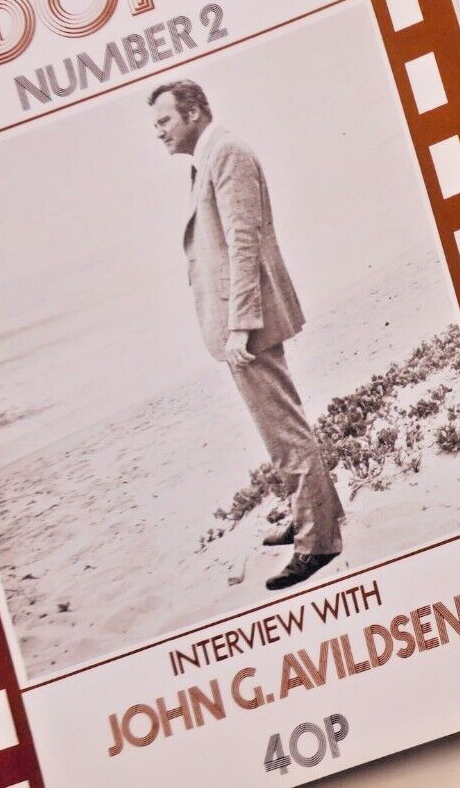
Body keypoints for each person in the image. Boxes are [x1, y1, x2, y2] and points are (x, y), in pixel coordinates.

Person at [148, 79, 344, 590]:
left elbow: (243, 243)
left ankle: (318, 542)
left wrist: (240, 325)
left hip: (247, 323)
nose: (159, 132)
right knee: (283, 424)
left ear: (193, 112)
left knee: (283, 432)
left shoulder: (226, 152)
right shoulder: (209, 157)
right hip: (244, 320)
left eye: (165, 121)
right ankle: (318, 514)